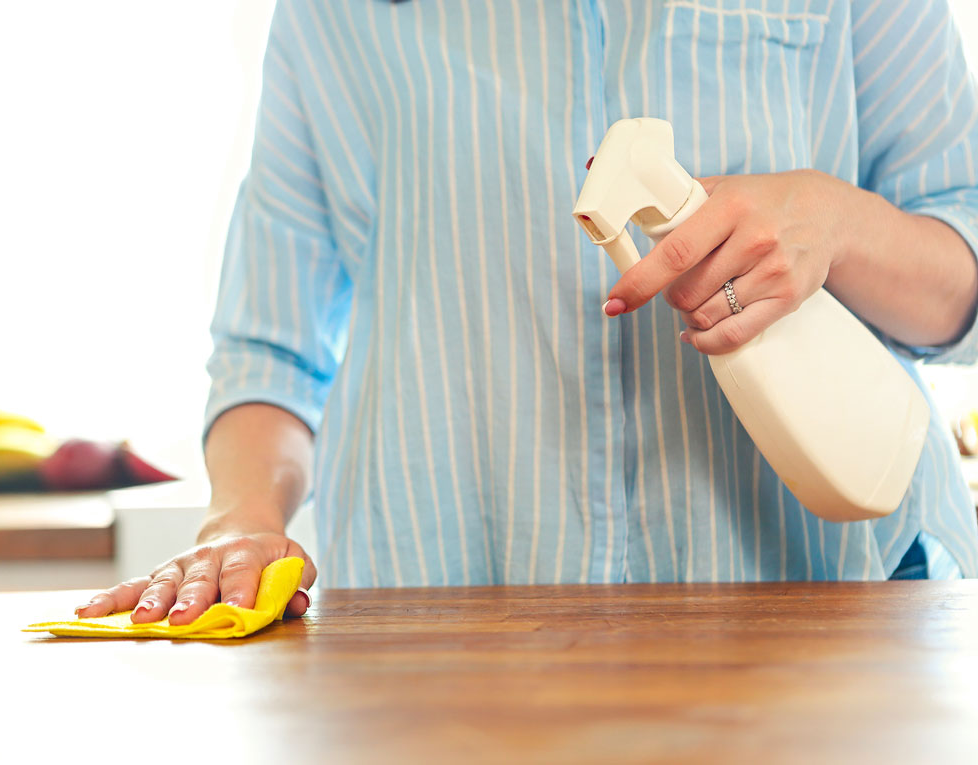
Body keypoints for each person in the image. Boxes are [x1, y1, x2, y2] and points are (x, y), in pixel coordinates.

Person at [78, 0, 978, 624]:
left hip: (836, 618)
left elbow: (958, 280)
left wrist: (841, 222)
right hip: (445, 645)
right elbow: (270, 350)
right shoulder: (334, 17)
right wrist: (241, 519)